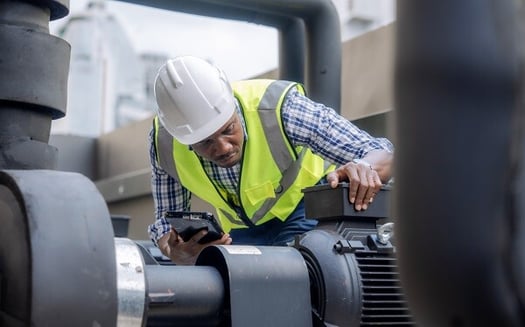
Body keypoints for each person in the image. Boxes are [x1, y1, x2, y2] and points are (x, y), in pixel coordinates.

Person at [147, 55, 394, 265]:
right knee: (236, 293)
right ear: (184, 139)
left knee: (310, 282)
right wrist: (174, 251)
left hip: (306, 210)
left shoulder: (279, 108)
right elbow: (164, 220)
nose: (223, 147)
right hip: (243, 229)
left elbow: (380, 150)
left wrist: (365, 168)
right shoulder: (164, 144)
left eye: (228, 129)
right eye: (205, 142)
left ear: (232, 106)